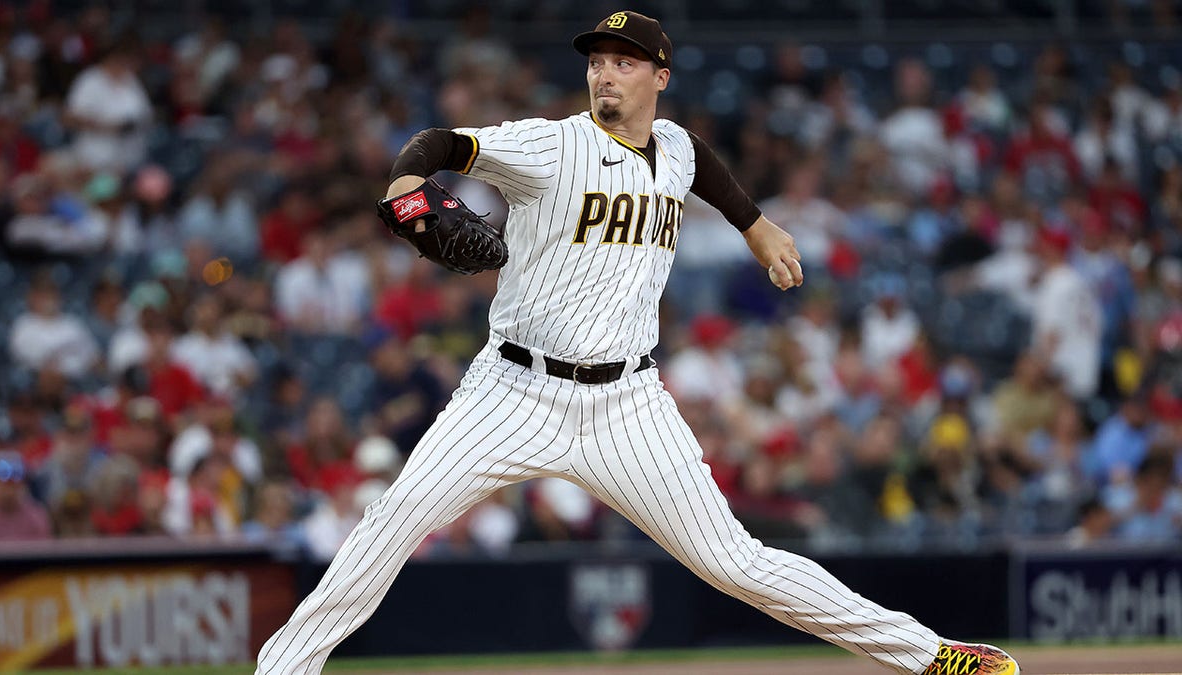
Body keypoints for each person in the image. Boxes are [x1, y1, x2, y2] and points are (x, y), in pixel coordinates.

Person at [257, 11, 1020, 675]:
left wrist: (755, 225)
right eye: (595, 62)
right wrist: (402, 188)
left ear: (659, 75)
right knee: (392, 519)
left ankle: (929, 655)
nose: (605, 75)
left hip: (627, 403)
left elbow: (703, 171)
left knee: (738, 563)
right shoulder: (548, 146)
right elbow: (435, 143)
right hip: (513, 390)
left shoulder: (678, 147)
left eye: (623, 62)